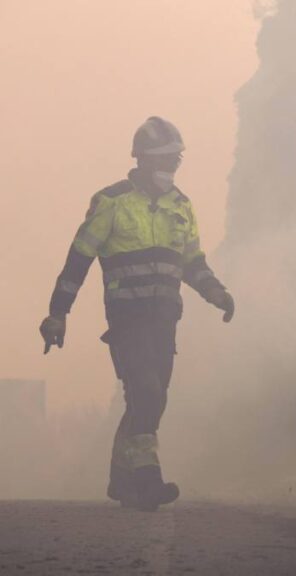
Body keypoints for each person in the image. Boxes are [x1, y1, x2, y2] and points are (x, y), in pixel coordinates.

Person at [39, 117, 235, 511]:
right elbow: (78, 260)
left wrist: (215, 291)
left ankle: (119, 479)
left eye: (177, 159)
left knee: (151, 399)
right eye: (164, 159)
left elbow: (192, 260)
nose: (172, 167)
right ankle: (147, 479)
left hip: (165, 322)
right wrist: (58, 314)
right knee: (145, 391)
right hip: (127, 322)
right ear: (141, 159)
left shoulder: (182, 206)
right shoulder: (111, 202)